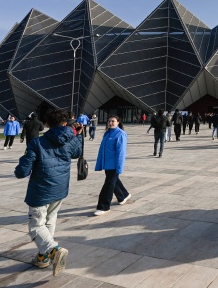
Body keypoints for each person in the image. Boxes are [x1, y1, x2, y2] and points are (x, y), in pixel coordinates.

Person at [14, 108, 83, 276]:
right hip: (60, 189)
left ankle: (53, 250)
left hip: (41, 190)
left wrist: (21, 163)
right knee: (50, 220)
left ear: (46, 124)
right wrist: (78, 135)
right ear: (65, 123)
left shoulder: (37, 143)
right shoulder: (71, 140)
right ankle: (42, 257)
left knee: (36, 226)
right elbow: (78, 152)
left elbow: (22, 172)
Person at [94, 115, 131, 216]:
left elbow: (121, 152)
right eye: (109, 121)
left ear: (118, 122)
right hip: (107, 163)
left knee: (108, 185)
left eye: (113, 121)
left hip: (114, 164)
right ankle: (123, 195)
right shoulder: (107, 133)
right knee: (113, 181)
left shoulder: (121, 134)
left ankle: (104, 206)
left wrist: (119, 166)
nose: (110, 123)